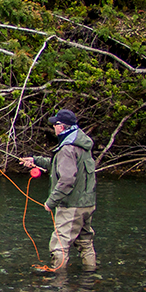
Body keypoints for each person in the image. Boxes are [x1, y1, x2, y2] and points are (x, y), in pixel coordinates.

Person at [20, 108, 97, 272]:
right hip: (87, 204)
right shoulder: (81, 144)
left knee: (59, 243)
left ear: (61, 127)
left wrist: (51, 202)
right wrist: (36, 161)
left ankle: (58, 279)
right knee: (85, 241)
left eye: (55, 124)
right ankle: (91, 274)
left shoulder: (67, 149)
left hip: (72, 205)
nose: (53, 127)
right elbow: (60, 165)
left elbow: (67, 179)